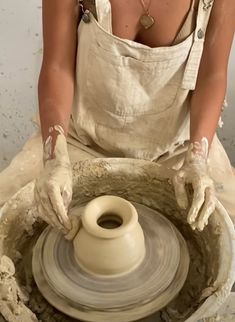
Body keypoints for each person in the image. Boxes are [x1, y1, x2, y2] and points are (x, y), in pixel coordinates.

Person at [1, 0, 235, 235]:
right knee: (9, 214)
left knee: (226, 224)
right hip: (79, 141)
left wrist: (197, 159)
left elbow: (212, 75)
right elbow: (57, 66)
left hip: (179, 149)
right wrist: (54, 158)